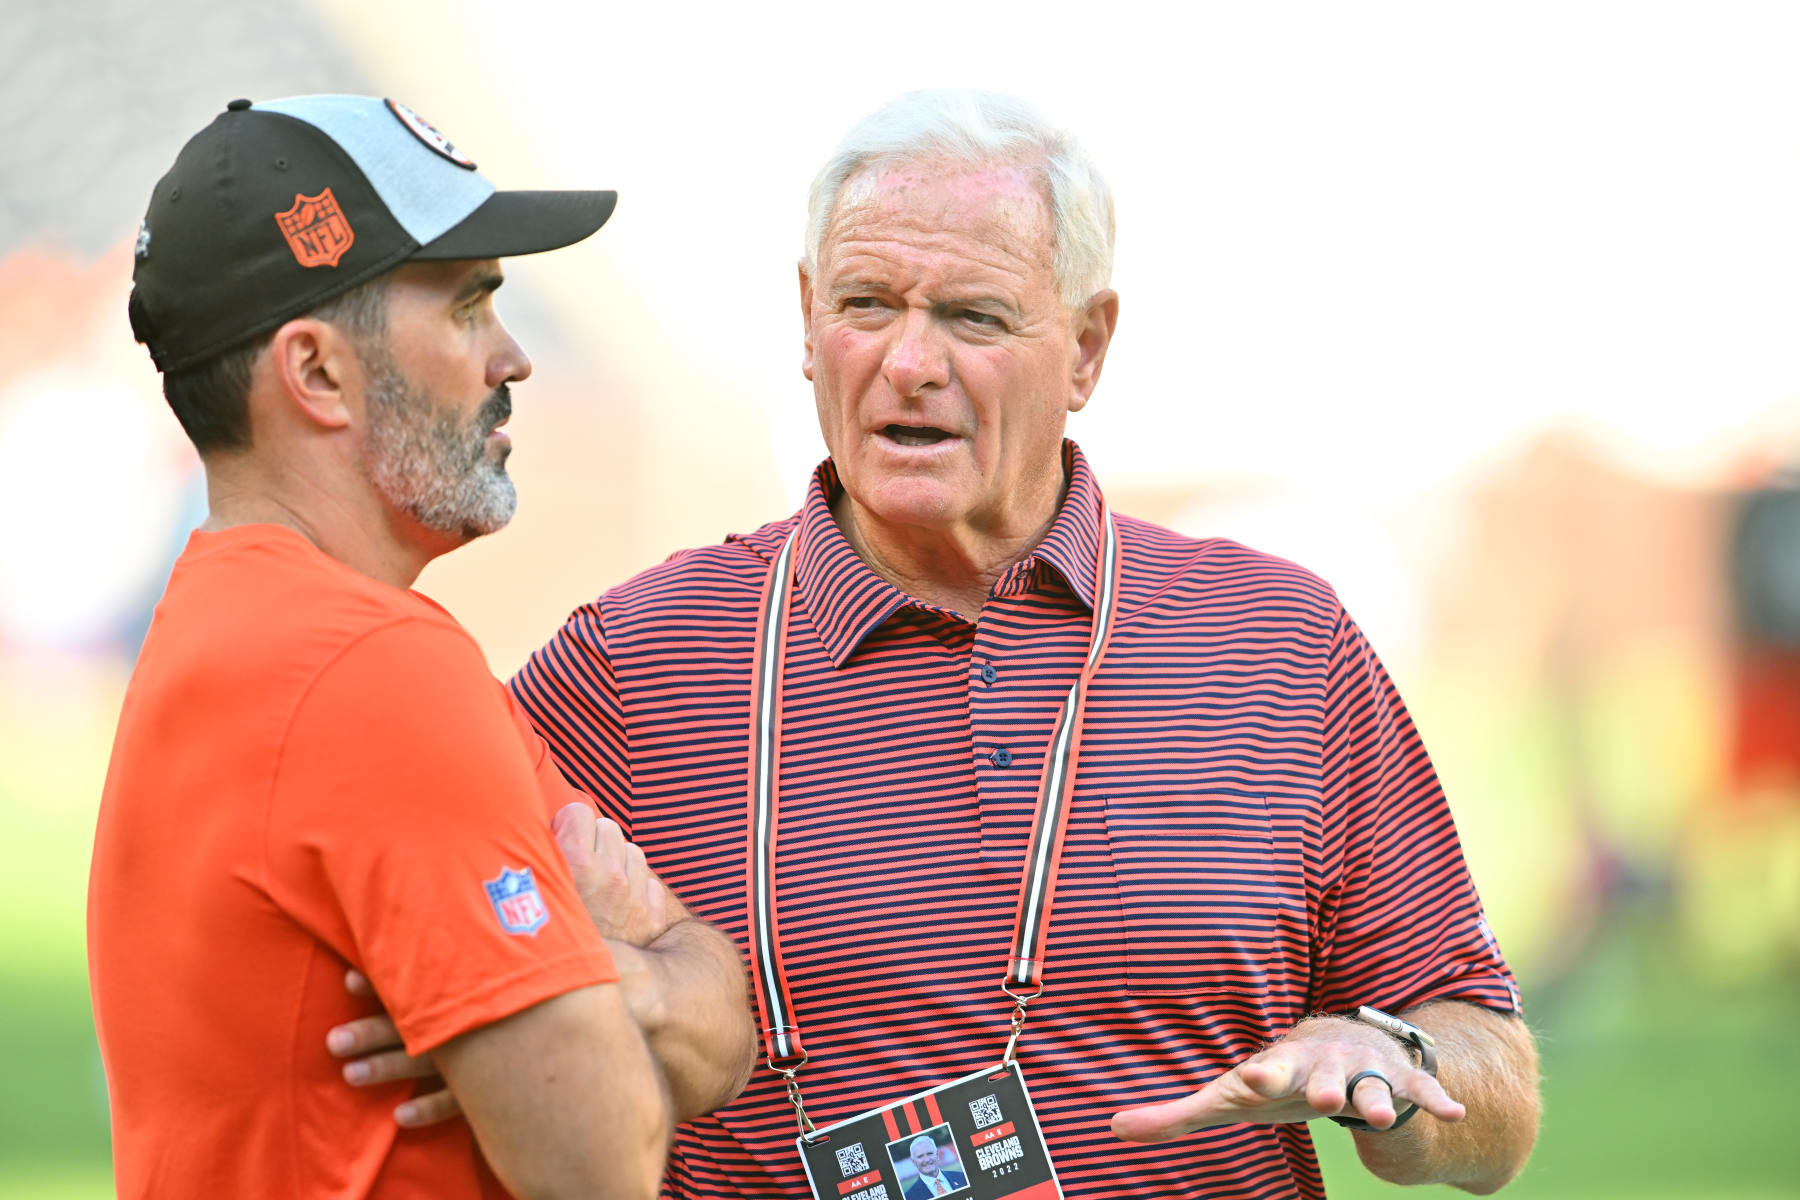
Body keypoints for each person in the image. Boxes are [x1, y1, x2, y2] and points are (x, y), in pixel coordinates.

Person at [504, 89, 1540, 1198]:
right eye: (865, 303)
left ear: (1087, 347)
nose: (908, 361)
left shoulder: (1280, 643)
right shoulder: (632, 661)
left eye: (973, 318)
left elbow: (1496, 1095)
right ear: (808, 320)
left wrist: (1399, 1063)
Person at [87, 94, 751, 1200]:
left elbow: (720, 1034)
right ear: (317, 374)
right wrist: (621, 960)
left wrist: (599, 980)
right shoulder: (370, 669)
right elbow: (604, 1159)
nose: (514, 358)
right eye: (467, 306)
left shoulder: (233, 626)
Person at [900, 1136, 967, 1199]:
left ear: (937, 1155)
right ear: (913, 1162)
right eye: (920, 1156)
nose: (926, 1159)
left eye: (930, 1153)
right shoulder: (909, 1197)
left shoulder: (962, 1177)